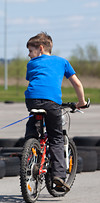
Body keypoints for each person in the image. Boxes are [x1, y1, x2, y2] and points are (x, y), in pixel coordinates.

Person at [24, 32, 87, 192]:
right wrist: (81, 103)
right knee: (56, 138)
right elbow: (77, 85)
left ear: (40, 48)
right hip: (52, 103)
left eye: (30, 51)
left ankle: (29, 152)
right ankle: (59, 175)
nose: (29, 55)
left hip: (32, 100)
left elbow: (36, 80)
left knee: (33, 125)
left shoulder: (32, 64)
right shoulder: (62, 62)